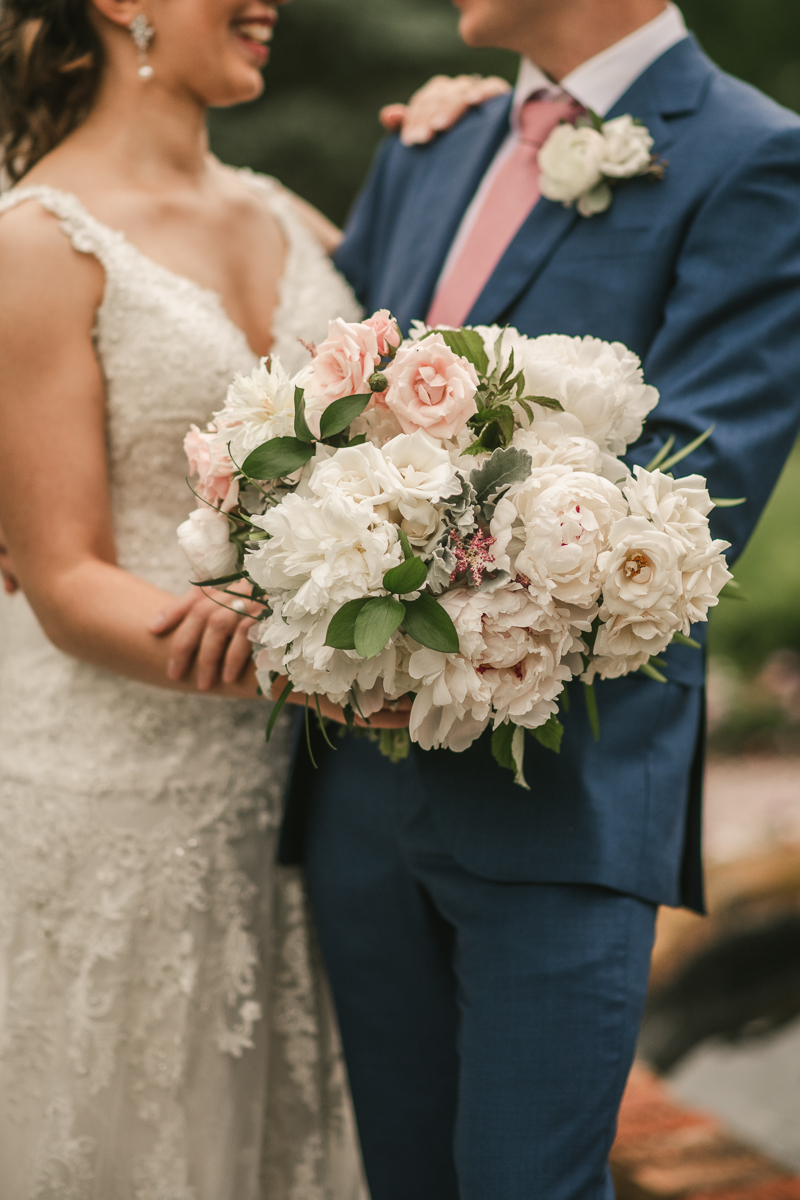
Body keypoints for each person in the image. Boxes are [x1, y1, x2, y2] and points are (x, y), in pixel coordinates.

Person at [279, 2, 800, 1198]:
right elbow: (319, 389)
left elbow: (687, 498)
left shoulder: (750, 156)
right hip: (359, 801)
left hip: (561, 792)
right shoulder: (432, 146)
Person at [0, 0, 488, 1191]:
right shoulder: (34, 242)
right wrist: (328, 668)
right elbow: (63, 581)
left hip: (301, 808)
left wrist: (466, 130)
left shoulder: (282, 210)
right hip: (111, 791)